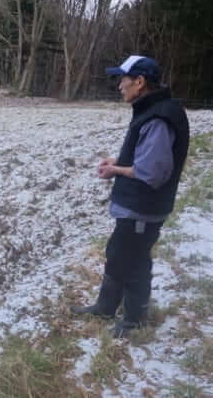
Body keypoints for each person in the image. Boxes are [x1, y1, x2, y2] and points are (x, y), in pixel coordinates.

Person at [71, 55, 190, 338]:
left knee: (134, 261)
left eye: (123, 79)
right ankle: (106, 307)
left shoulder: (158, 118)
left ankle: (134, 320)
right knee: (119, 254)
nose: (119, 86)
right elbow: (146, 156)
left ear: (140, 81)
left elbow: (152, 172)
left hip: (143, 207)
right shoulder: (153, 110)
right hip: (139, 207)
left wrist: (116, 170)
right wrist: (119, 160)